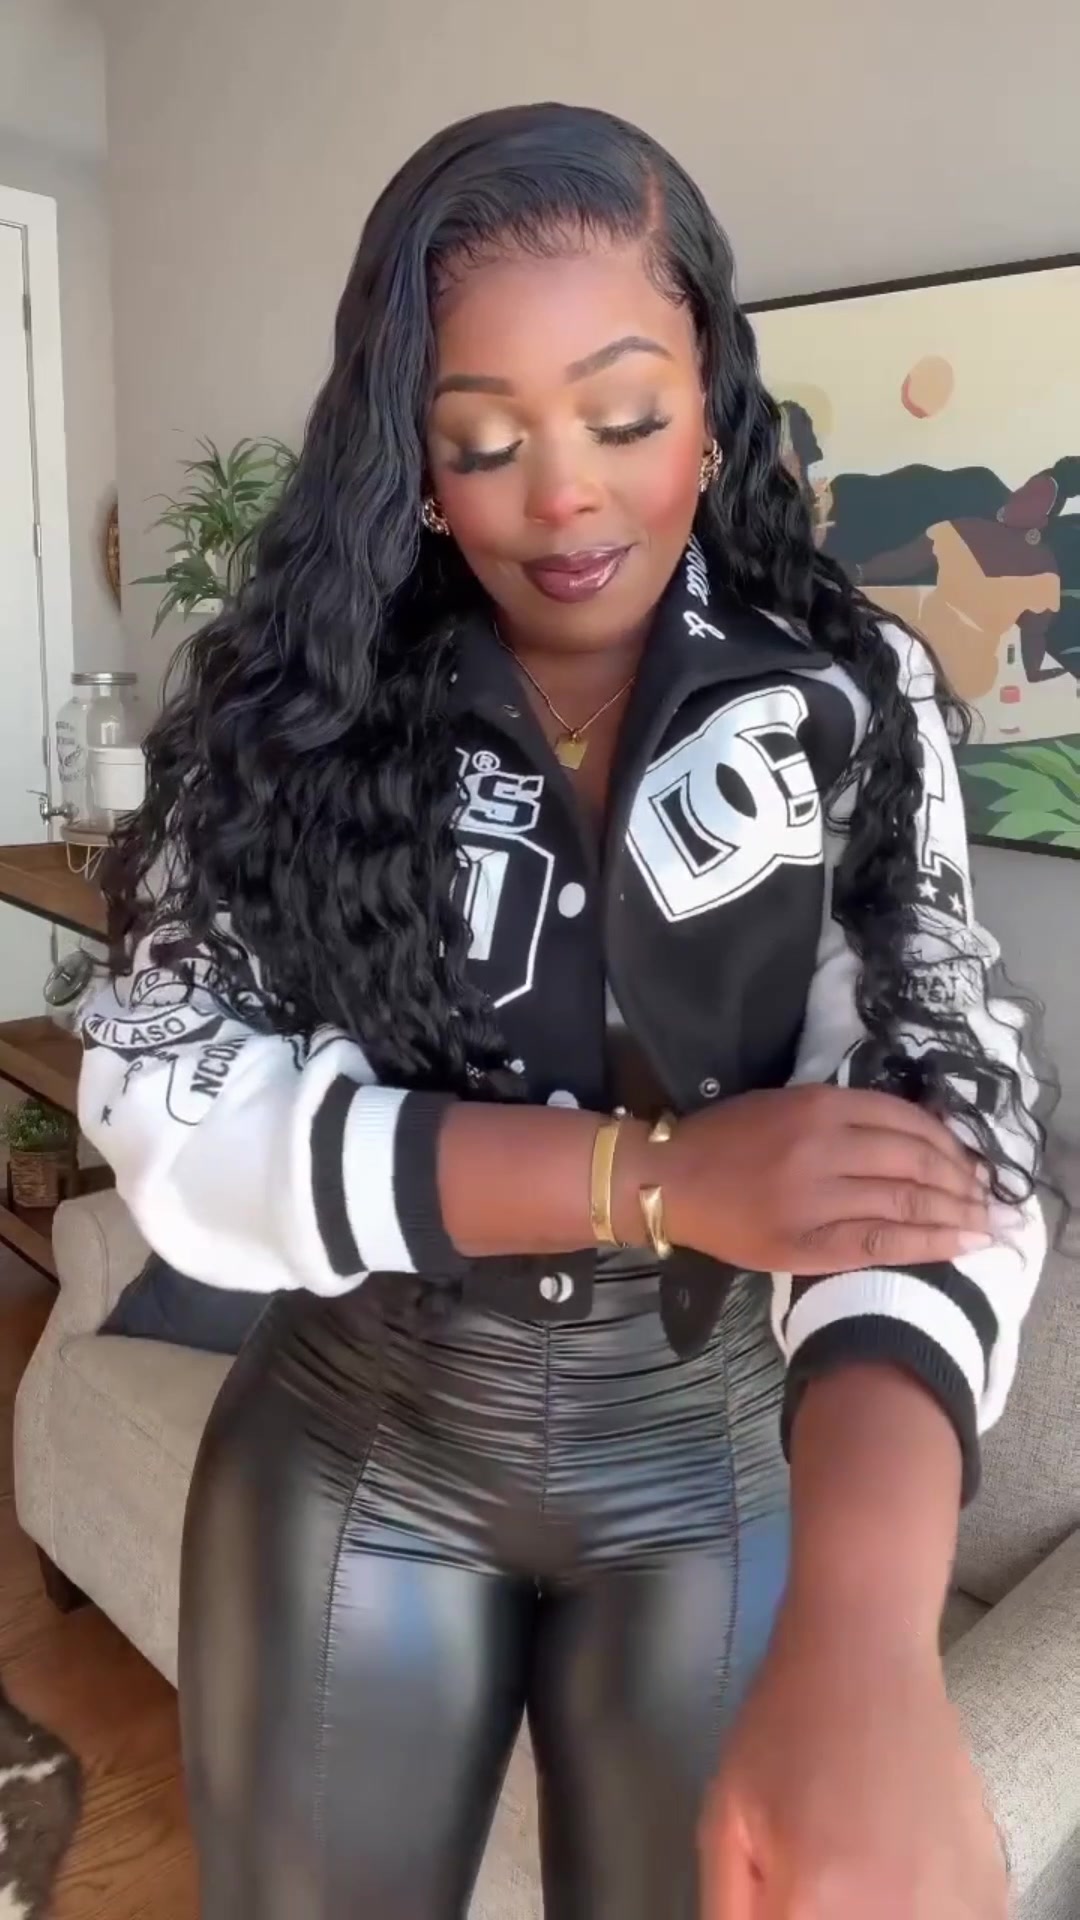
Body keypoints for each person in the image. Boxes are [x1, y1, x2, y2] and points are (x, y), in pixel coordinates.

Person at [78, 103, 1046, 1920]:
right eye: (483, 439)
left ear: (713, 399)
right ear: (409, 455)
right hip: (356, 1455)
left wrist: (869, 1632)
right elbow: (175, 1110)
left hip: (713, 1482)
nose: (565, 496)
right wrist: (657, 1180)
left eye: (624, 415)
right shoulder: (296, 711)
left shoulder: (848, 699)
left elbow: (937, 1125)